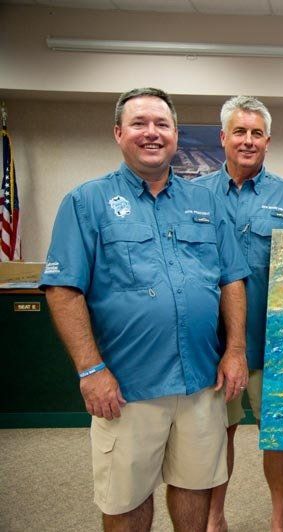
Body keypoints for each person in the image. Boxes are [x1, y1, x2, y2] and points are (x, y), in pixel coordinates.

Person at [39, 87, 251, 531]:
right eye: (139, 124)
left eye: (162, 124)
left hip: (199, 381)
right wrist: (90, 370)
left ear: (175, 134)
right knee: (125, 500)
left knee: (195, 485)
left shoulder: (206, 202)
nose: (151, 133)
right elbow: (63, 290)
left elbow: (232, 277)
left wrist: (234, 349)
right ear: (118, 133)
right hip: (127, 387)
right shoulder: (87, 202)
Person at [195, 96, 283, 532]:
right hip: (211, 344)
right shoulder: (194, 195)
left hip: (273, 343)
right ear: (223, 138)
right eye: (239, 132)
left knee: (277, 437)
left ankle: (278, 521)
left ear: (268, 141)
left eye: (256, 133)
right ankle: (214, 518)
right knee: (215, 436)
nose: (247, 141)